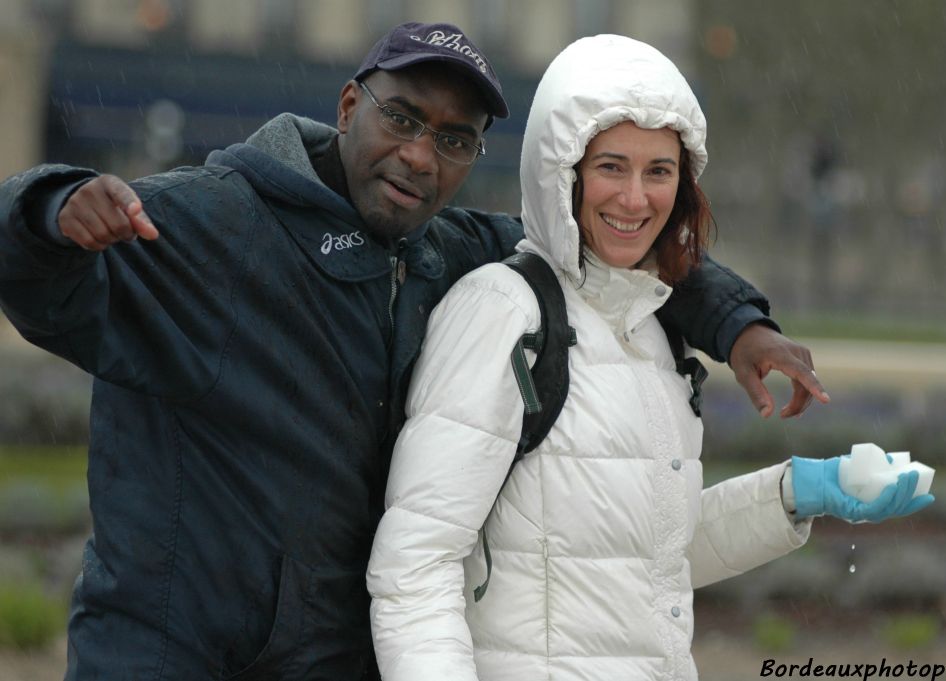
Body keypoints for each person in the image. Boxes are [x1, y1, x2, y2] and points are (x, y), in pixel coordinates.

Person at [0, 22, 822, 681]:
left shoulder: (449, 250)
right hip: (165, 657)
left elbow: (612, 245)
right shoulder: (209, 222)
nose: (422, 155)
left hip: (331, 658)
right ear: (350, 103)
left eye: (455, 139)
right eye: (403, 119)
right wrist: (49, 213)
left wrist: (740, 323)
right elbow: (43, 288)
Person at [366, 34, 932, 681]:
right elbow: (415, 567)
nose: (636, 199)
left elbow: (644, 557)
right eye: (612, 166)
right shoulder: (502, 311)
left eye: (658, 171)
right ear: (562, 171)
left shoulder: (655, 329)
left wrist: (797, 493)